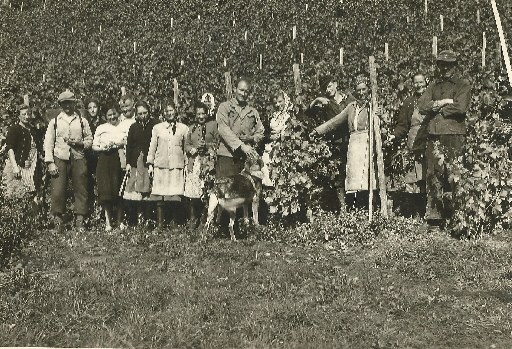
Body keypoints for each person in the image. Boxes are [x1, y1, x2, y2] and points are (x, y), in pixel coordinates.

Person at [417, 50, 471, 231]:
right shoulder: (433, 85)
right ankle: (434, 219)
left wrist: (439, 109)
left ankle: (457, 217)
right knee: (433, 176)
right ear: (438, 66)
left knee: (455, 175)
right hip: (434, 136)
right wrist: (442, 103)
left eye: (449, 64)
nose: (445, 68)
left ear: (455, 66)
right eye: (442, 64)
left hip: (454, 136)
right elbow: (422, 105)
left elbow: (461, 107)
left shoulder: (463, 84)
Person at [311, 75, 380, 208]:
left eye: (364, 90)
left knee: (368, 175)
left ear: (368, 90)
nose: (361, 93)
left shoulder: (372, 107)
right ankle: (357, 208)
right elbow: (334, 122)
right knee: (354, 179)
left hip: (367, 143)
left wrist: (382, 115)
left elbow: (383, 122)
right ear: (355, 92)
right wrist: (317, 131)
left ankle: (372, 207)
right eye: (358, 90)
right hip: (354, 145)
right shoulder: (350, 107)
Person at [43, 90, 93, 232]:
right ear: (60, 105)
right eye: (64, 103)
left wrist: (80, 143)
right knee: (58, 189)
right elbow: (48, 143)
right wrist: (50, 162)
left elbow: (90, 139)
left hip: (78, 157)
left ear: (74, 104)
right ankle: (58, 221)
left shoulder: (82, 121)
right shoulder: (55, 122)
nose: (67, 106)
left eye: (70, 103)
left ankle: (80, 220)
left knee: (81, 188)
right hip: (60, 157)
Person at [305, 75, 356, 211]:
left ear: (335, 84)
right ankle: (343, 209)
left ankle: (355, 206)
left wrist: (327, 103)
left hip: (352, 141)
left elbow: (342, 115)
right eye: (324, 88)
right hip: (336, 143)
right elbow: (306, 114)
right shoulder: (323, 104)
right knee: (339, 176)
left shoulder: (349, 99)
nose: (328, 90)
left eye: (329, 86)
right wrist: (316, 100)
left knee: (353, 173)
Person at [388, 73, 428, 216]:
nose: (419, 85)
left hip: (428, 142)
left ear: (426, 82)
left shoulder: (432, 99)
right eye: (416, 83)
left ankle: (427, 211)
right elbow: (402, 125)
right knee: (412, 178)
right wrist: (394, 135)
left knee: (426, 176)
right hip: (413, 143)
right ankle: (414, 212)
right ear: (413, 85)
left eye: (421, 82)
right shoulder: (409, 102)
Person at [147, 100, 189, 231]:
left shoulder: (183, 128)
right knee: (161, 195)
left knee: (174, 195)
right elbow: (152, 147)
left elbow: (186, 148)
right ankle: (160, 224)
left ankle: (174, 222)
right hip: (161, 165)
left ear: (176, 111)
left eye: (171, 110)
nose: (169, 113)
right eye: (166, 111)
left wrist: (186, 164)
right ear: (163, 113)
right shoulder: (157, 128)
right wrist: (150, 164)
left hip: (176, 165)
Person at [216, 77, 264, 178]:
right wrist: (241, 146)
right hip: (227, 156)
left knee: (245, 191)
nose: (243, 94)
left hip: (246, 159)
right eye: (241, 90)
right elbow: (223, 129)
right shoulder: (224, 107)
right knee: (226, 189)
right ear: (234, 89)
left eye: (246, 91)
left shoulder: (253, 111)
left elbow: (260, 132)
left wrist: (251, 138)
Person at [124, 100, 160, 225]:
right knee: (135, 190)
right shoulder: (133, 127)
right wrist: (128, 162)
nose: (143, 116)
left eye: (145, 113)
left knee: (148, 189)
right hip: (136, 161)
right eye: (140, 113)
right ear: (136, 114)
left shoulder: (155, 125)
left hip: (149, 161)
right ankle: (136, 217)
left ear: (149, 112)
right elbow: (129, 146)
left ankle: (149, 217)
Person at [184, 101, 219, 228]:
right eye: (198, 114)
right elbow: (186, 144)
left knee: (205, 191)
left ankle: (205, 219)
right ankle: (193, 218)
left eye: (203, 113)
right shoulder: (192, 128)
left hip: (207, 163)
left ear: (207, 113)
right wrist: (191, 149)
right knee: (193, 193)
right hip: (194, 163)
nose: (201, 116)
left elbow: (218, 142)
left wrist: (208, 146)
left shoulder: (213, 125)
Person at [92, 103, 125, 231]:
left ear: (118, 114)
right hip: (104, 159)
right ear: (105, 117)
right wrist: (102, 147)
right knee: (106, 191)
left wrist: (116, 143)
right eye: (109, 115)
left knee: (119, 190)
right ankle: (108, 223)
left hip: (118, 158)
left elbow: (127, 140)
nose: (112, 117)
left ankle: (120, 220)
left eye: (114, 114)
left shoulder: (122, 126)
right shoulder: (101, 128)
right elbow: (94, 146)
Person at [2, 104, 40, 211]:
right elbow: (10, 149)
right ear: (19, 115)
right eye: (24, 114)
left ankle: (33, 220)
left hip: (31, 166)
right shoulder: (14, 129)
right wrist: (15, 166)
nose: (27, 116)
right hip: (17, 166)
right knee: (14, 194)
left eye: (28, 114)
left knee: (31, 193)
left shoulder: (33, 130)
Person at [261, 90, 294, 187]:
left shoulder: (291, 114)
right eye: (275, 103)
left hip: (284, 149)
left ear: (285, 100)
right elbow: (263, 133)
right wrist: (270, 137)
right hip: (270, 149)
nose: (278, 105)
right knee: (268, 174)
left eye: (280, 101)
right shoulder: (272, 117)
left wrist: (282, 137)